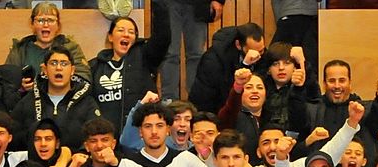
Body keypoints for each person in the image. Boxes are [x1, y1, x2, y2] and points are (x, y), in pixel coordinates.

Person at [89, 0, 171, 138]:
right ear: (110, 37)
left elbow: (163, 36)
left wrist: (158, 4)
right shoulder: (95, 66)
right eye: (120, 30)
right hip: (105, 139)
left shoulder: (145, 57)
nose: (126, 34)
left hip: (139, 138)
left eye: (131, 32)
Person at [12, 46, 100, 152]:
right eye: (53, 63)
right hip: (36, 160)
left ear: (72, 70)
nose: (58, 68)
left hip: (74, 160)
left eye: (64, 64)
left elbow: (97, 136)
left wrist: (80, 153)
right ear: (44, 69)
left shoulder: (86, 102)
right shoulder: (28, 102)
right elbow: (13, 136)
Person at [306, 60, 378, 163]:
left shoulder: (363, 109)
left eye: (342, 80)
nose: (337, 86)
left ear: (350, 83)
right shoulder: (313, 111)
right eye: (332, 81)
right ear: (324, 84)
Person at [218, 69, 306, 164]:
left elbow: (297, 125)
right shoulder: (232, 116)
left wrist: (298, 89)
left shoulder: (274, 117)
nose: (255, 91)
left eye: (260, 88)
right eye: (248, 87)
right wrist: (238, 86)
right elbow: (230, 107)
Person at [5, 2, 92, 89]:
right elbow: (6, 81)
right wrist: (20, 86)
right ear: (32, 24)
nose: (46, 25)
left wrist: (58, 83)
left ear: (58, 25)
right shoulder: (19, 49)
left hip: (63, 97)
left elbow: (84, 79)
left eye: (51, 20)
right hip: (26, 96)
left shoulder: (71, 48)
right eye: (40, 21)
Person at [188, 22, 268, 115]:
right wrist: (245, 65)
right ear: (238, 45)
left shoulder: (263, 56)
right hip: (215, 110)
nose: (257, 56)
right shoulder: (213, 61)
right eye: (252, 51)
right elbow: (207, 97)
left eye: (261, 51)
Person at [161, 0, 222, 100]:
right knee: (170, 55)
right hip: (168, 3)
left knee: (196, 55)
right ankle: (169, 100)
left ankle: (195, 98)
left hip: (198, 5)